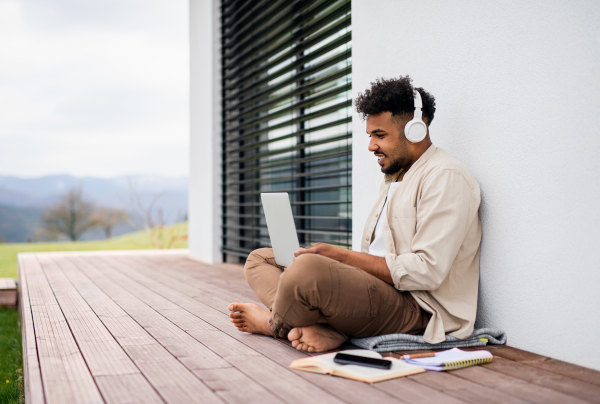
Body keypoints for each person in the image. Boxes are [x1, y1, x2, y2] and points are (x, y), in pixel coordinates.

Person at [229, 76, 482, 352]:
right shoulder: (395, 178)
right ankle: (323, 328)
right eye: (370, 136)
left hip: (418, 308)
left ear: (415, 131)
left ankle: (275, 324)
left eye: (380, 135)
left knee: (306, 271)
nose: (371, 146)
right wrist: (339, 264)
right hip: (376, 292)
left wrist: (339, 256)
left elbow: (427, 272)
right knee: (260, 260)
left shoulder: (446, 177)